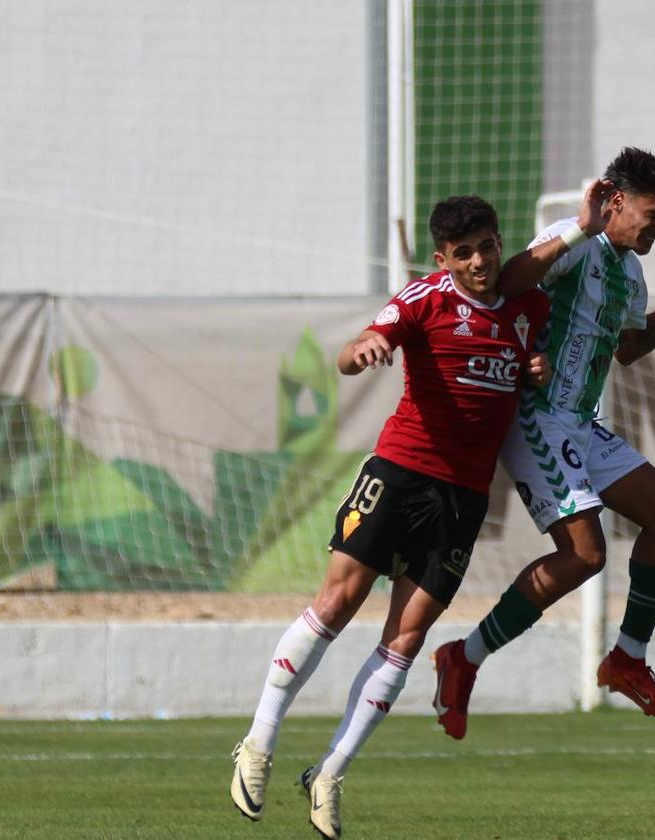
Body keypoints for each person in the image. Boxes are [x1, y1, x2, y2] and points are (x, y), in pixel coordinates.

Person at [228, 195, 558, 840]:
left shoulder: (530, 307)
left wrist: (536, 369)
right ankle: (258, 743)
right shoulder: (422, 298)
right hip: (398, 473)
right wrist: (368, 346)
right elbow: (352, 353)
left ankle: (329, 773)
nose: (479, 260)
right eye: (463, 253)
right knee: (336, 603)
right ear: (444, 259)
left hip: (463, 498)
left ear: (498, 241)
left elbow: (526, 371)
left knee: (405, 640)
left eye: (487, 245)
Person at [431, 147, 655, 739]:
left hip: (580, 421)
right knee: (585, 555)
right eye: (654, 215)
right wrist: (581, 227)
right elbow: (507, 282)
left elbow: (629, 349)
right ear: (616, 200)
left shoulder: (630, 270)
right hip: (535, 417)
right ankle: (465, 656)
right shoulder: (571, 237)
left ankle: (627, 659)